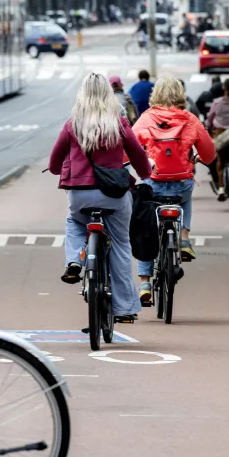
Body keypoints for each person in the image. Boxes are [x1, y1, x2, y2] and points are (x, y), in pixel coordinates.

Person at [49, 73, 151, 325]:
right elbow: (138, 156)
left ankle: (74, 261)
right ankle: (125, 307)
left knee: (74, 222)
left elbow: (53, 164)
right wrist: (146, 172)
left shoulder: (72, 124)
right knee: (120, 243)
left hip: (80, 194)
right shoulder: (119, 122)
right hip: (114, 196)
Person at [131, 77, 217, 304]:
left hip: (153, 184)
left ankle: (145, 283)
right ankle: (185, 238)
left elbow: (128, 149)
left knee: (146, 226)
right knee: (186, 198)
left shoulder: (146, 119)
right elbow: (209, 154)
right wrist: (199, 158)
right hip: (181, 184)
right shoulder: (190, 119)